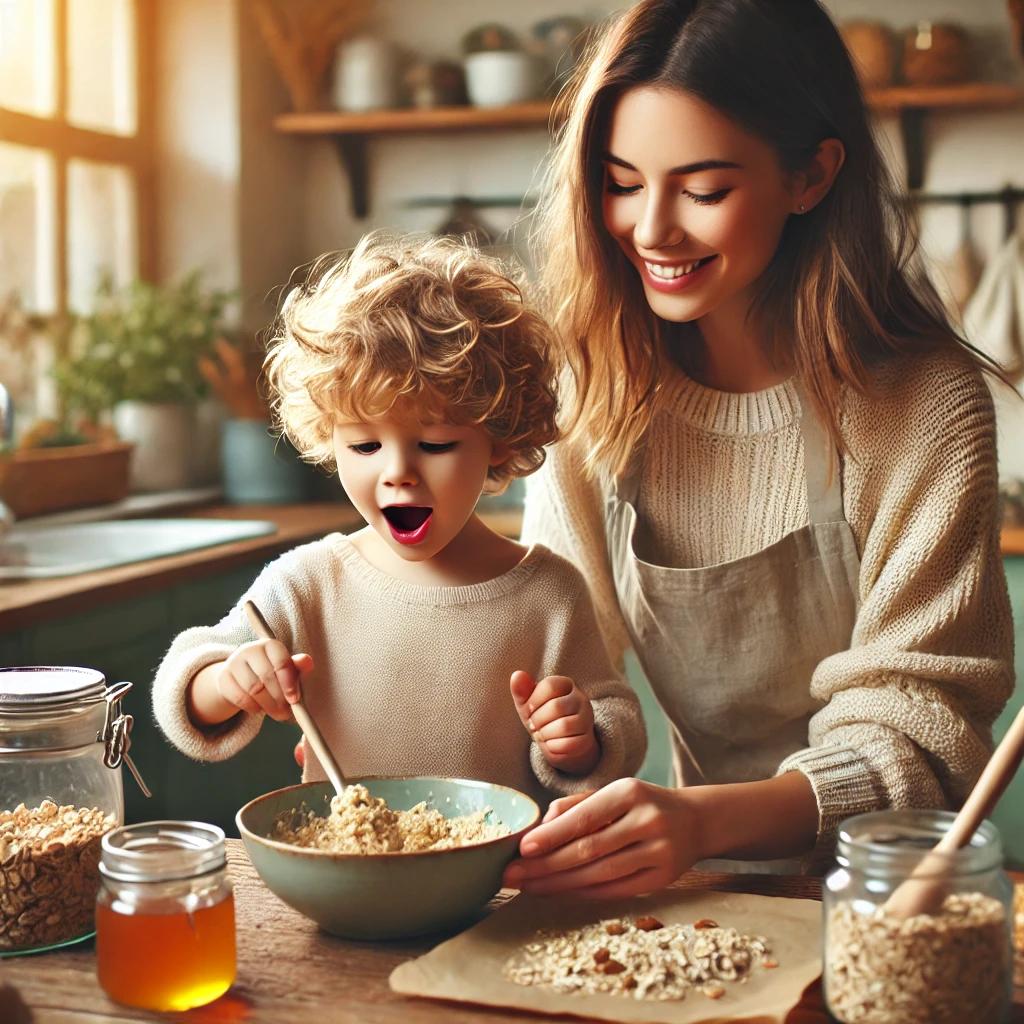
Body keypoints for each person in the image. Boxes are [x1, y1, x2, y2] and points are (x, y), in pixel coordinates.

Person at [503, 0, 1014, 897]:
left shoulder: (920, 403)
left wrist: (703, 820)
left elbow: (921, 725)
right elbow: (565, 668)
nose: (652, 229)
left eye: (702, 190)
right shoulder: (598, 390)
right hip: (691, 890)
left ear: (811, 176)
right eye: (622, 182)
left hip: (891, 894)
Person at [151, 233, 646, 804]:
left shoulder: (549, 593)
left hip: (506, 881)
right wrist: (223, 681)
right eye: (364, 447)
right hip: (347, 873)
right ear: (327, 437)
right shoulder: (311, 582)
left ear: (501, 443)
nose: (398, 473)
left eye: (434, 446)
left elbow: (617, 721)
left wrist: (579, 740)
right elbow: (183, 682)